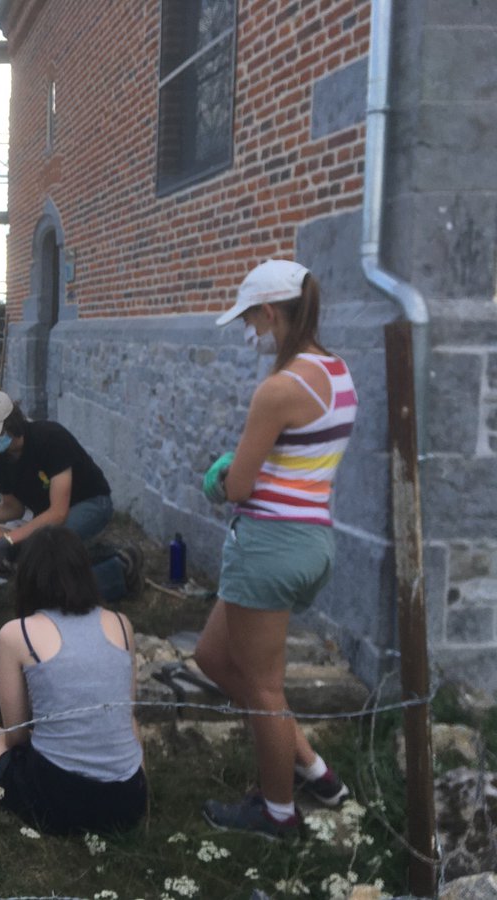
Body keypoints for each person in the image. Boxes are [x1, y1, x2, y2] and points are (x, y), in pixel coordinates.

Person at [195, 259, 357, 840]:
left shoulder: (279, 388)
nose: (253, 335)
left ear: (270, 312)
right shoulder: (338, 372)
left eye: (252, 321)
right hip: (311, 539)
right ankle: (315, 770)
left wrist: (216, 476)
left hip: (268, 544)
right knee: (213, 658)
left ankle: (277, 812)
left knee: (264, 689)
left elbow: (238, 485)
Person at [0, 526, 147, 836]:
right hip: (127, 802)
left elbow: (16, 737)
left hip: (57, 801)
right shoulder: (121, 623)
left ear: (28, 577)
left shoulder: (17, 633)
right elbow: (126, 715)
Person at [0, 389, 140, 601]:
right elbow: (13, 508)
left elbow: (59, 513)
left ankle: (121, 567)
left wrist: (8, 541)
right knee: (40, 574)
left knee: (46, 557)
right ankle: (86, 558)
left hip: (90, 503)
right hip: (47, 516)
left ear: (10, 425)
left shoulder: (50, 438)